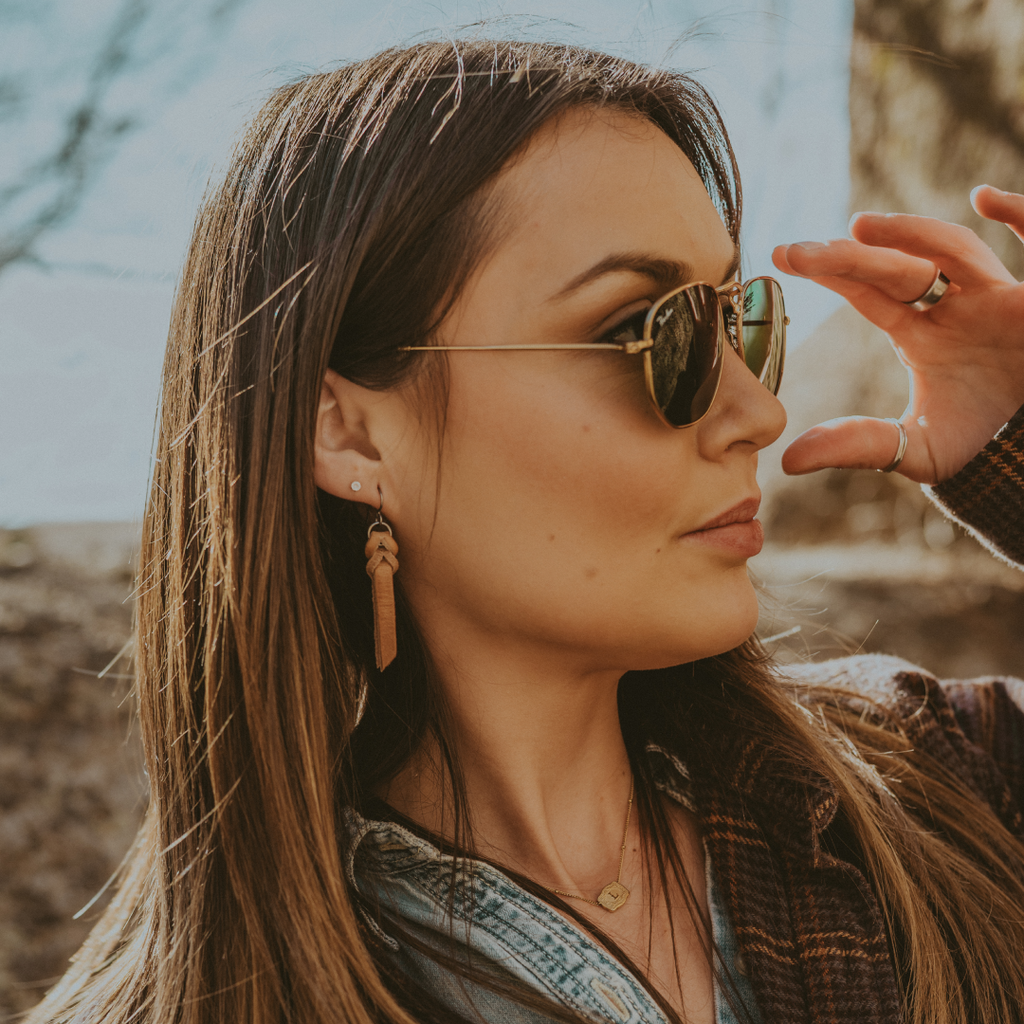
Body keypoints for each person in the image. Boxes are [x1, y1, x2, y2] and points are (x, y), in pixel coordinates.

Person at [26, 38, 1024, 1024]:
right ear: (350, 432)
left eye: (732, 319)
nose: (757, 413)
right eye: (647, 330)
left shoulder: (935, 777)